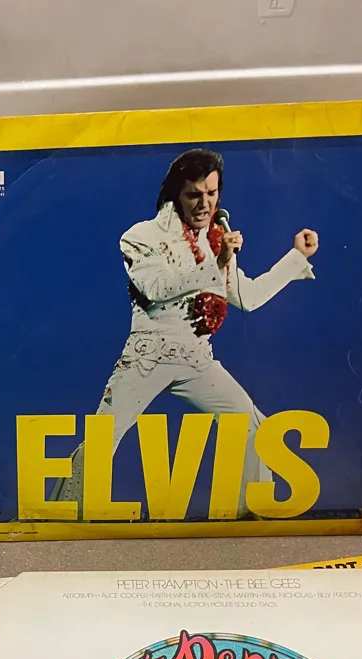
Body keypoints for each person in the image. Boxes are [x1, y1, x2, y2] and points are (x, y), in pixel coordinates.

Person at [55, 148, 319, 517]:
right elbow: (156, 288)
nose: (204, 203)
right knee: (102, 437)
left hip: (196, 359)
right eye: (194, 194)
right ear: (176, 194)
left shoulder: (215, 239)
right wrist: (220, 261)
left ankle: (249, 513)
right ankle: (61, 514)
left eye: (211, 193)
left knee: (251, 423)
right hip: (147, 358)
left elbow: (248, 297)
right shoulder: (140, 236)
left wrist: (296, 258)